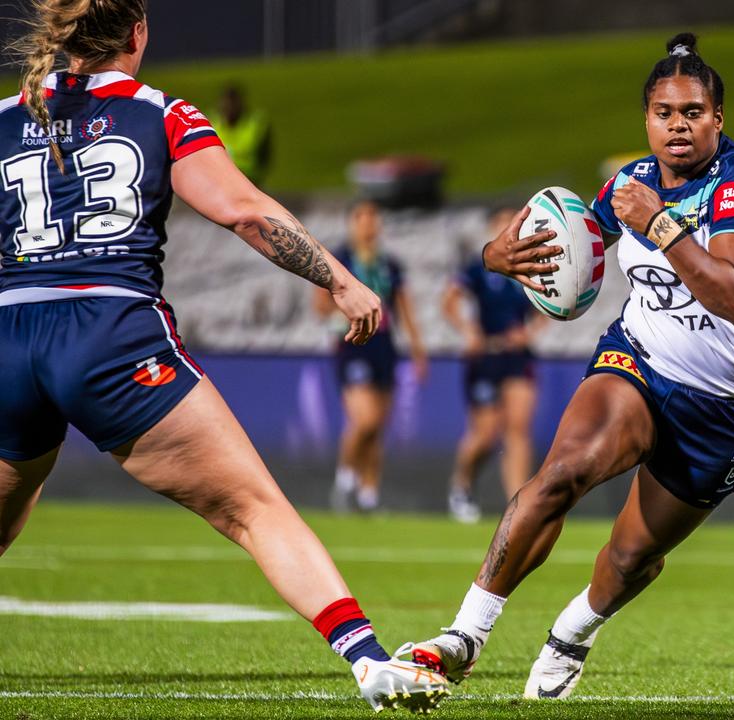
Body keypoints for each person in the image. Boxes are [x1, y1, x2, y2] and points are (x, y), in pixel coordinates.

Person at [0, 1, 446, 712]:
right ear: (138, 32)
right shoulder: (161, 115)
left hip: (9, 337)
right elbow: (242, 209)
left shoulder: (4, 116)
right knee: (254, 509)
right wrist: (339, 278)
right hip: (112, 337)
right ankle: (367, 660)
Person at [408, 33, 734, 700]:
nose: (678, 126)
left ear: (718, 120)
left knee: (632, 556)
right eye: (665, 113)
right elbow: (568, 242)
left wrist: (663, 225)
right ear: (646, 118)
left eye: (694, 113)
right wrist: (503, 256)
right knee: (562, 472)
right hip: (638, 361)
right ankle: (462, 638)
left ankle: (572, 633)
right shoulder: (629, 184)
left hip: (727, 403)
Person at [315, 200, 428, 514]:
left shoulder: (389, 264)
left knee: (379, 424)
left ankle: (369, 494)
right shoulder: (339, 260)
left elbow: (404, 310)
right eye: (361, 217)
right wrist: (342, 315)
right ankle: (346, 477)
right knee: (364, 419)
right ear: (352, 222)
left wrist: (418, 351)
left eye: (373, 217)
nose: (368, 223)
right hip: (352, 344)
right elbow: (320, 304)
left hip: (384, 345)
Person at [441, 207, 544, 523]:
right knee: (486, 434)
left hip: (517, 357)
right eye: (503, 224)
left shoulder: (534, 266)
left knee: (518, 427)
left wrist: (528, 332)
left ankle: (517, 505)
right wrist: (469, 331)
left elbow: (551, 304)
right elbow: (449, 301)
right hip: (486, 355)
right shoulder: (479, 267)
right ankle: (462, 483)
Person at [211, 84, 271, 186]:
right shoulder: (212, 124)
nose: (230, 108)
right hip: (219, 182)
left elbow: (265, 156)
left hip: (249, 180)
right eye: (227, 104)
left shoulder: (255, 124)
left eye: (233, 104)